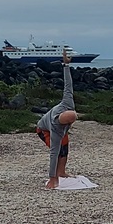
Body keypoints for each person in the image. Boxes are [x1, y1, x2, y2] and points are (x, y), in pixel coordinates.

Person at [36, 49, 76, 189]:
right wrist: (52, 179)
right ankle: (55, 176)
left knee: (65, 147)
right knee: (58, 151)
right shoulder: (56, 128)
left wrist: (66, 65)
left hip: (58, 127)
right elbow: (53, 154)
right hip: (43, 129)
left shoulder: (67, 102)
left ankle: (62, 172)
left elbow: (68, 85)